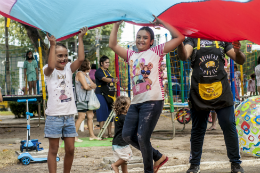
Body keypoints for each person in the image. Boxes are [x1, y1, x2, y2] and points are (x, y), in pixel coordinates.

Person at [109, 15, 184, 173]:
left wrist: (161, 22)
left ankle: (149, 170)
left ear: (151, 41)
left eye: (145, 38)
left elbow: (179, 37)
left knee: (143, 137)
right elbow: (113, 44)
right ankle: (158, 156)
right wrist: (116, 24)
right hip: (136, 102)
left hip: (153, 101)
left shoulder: (156, 51)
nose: (141, 40)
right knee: (128, 135)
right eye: (138, 37)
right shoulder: (131, 55)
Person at [178, 38, 246, 173]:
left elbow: (240, 60)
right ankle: (194, 165)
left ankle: (235, 164)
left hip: (221, 90)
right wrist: (179, 40)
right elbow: (184, 56)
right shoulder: (192, 39)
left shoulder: (222, 38)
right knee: (198, 129)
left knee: (228, 125)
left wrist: (238, 51)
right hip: (199, 91)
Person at [43, 27, 87, 173]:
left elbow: (80, 59)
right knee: (53, 149)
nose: (63, 59)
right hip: (54, 117)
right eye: (59, 56)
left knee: (70, 149)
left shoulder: (68, 68)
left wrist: (80, 38)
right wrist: (53, 45)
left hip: (68, 116)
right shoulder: (48, 71)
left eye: (65, 55)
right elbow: (50, 65)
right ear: (52, 56)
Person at [74, 59, 100, 142]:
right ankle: (73, 136)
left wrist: (88, 86)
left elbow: (94, 85)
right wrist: (89, 86)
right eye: (88, 64)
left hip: (88, 99)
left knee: (90, 116)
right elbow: (86, 87)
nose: (90, 66)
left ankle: (92, 135)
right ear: (85, 65)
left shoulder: (86, 74)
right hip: (81, 99)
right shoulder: (80, 74)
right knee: (81, 117)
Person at [95, 55, 118, 138]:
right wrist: (113, 80)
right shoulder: (98, 71)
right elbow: (104, 79)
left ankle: (110, 133)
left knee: (110, 113)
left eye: (108, 62)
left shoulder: (108, 72)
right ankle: (102, 133)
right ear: (101, 63)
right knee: (102, 112)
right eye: (106, 62)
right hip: (100, 94)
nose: (108, 64)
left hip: (109, 95)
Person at [111, 96, 133, 173]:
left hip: (116, 143)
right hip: (122, 143)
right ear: (126, 107)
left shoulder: (117, 117)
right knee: (127, 156)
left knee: (123, 162)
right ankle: (115, 165)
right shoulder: (125, 118)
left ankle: (121, 169)